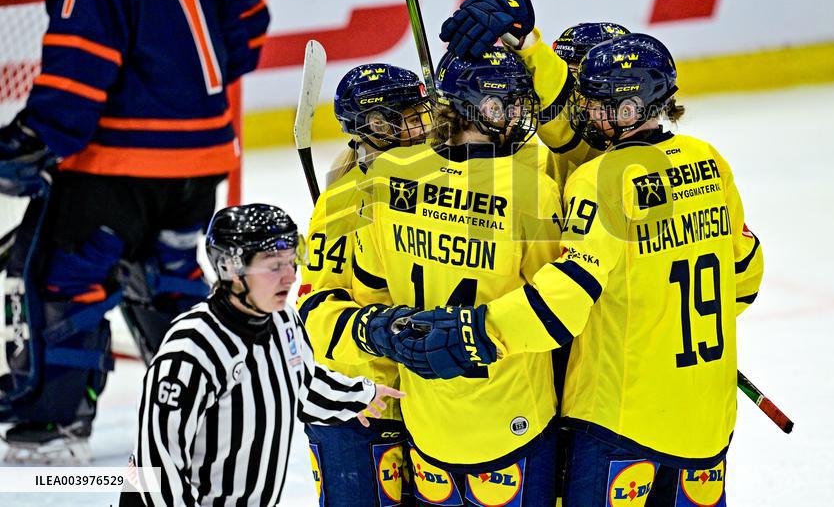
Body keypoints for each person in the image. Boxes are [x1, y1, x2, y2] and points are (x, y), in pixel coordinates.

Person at [398, 0, 765, 505]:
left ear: (628, 106)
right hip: (706, 414)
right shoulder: (710, 161)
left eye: (591, 99)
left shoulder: (592, 177)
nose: (581, 109)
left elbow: (567, 294)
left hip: (615, 412)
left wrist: (477, 331)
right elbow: (742, 279)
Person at [0, 0, 268, 463]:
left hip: (116, 171)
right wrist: (179, 89)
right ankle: (212, 421)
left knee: (64, 281)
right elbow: (251, 26)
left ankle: (53, 429)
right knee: (168, 278)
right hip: (202, 166)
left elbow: (77, 74)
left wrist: (37, 138)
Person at [349, 47, 564, 506]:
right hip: (513, 417)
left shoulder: (385, 176)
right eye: (510, 104)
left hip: (426, 422)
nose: (519, 114)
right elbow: (553, 308)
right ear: (486, 109)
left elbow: (371, 294)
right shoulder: (533, 189)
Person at [121, 204, 404, 507]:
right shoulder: (191, 350)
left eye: (292, 262)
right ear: (231, 268)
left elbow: (299, 382)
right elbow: (157, 468)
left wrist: (355, 396)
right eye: (274, 266)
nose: (290, 277)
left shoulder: (283, 322)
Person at [296, 64, 432, 507]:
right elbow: (315, 310)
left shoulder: (436, 183)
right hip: (358, 403)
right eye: (408, 117)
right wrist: (378, 331)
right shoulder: (343, 202)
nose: (423, 126)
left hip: (418, 398)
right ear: (375, 125)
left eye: (421, 113)